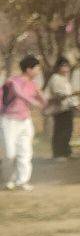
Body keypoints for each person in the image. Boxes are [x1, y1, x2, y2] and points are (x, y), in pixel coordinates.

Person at [1, 55, 45, 191]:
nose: (38, 71)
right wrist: (33, 101)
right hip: (9, 121)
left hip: (25, 121)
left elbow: (43, 101)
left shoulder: (34, 85)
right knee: (10, 154)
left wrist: (42, 99)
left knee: (25, 152)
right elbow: (18, 93)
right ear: (28, 69)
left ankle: (22, 181)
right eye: (37, 68)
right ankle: (8, 180)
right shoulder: (12, 81)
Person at [44, 59, 80, 159]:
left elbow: (70, 94)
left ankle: (66, 152)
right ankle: (58, 153)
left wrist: (76, 104)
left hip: (67, 108)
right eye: (63, 66)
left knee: (68, 131)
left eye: (67, 66)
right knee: (60, 131)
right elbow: (57, 93)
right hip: (60, 109)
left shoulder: (65, 79)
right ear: (58, 67)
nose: (65, 68)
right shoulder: (55, 78)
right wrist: (65, 96)